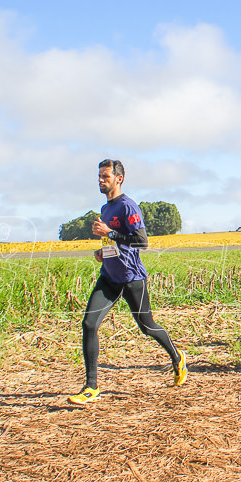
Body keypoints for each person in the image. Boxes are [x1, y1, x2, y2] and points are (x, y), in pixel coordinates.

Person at [68, 159, 187, 405]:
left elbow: (141, 241)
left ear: (118, 178)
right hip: (109, 277)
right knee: (89, 324)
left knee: (147, 326)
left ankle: (177, 358)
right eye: (99, 176)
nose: (100, 180)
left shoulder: (128, 206)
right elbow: (113, 243)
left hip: (132, 278)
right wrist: (103, 251)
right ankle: (91, 387)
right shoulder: (105, 209)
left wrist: (109, 233)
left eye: (105, 177)